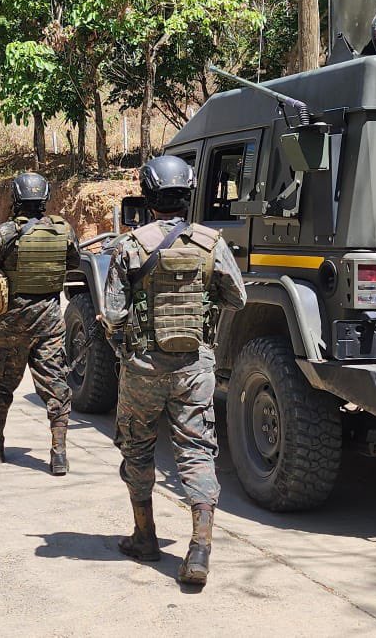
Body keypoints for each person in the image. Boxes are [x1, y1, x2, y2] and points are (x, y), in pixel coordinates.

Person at [102, 155, 246, 586]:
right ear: (188, 193)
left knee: (138, 447)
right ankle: (199, 548)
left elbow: (112, 312)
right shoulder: (210, 242)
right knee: (197, 452)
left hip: (143, 368)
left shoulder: (129, 245)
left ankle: (145, 537)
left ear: (148, 196)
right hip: (195, 369)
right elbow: (236, 298)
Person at [0, 172, 83, 475]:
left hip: (11, 322)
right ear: (44, 199)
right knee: (55, 384)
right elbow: (73, 262)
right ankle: (59, 453)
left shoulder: (5, 233)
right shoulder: (64, 231)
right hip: (49, 319)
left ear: (16, 200)